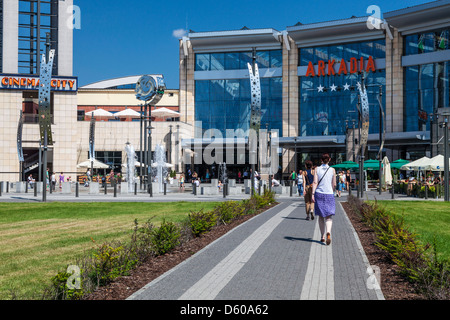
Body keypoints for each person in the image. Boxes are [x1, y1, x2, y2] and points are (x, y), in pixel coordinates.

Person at [311, 153, 336, 245]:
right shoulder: (332, 170)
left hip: (319, 194)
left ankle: (322, 236)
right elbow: (334, 184)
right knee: (329, 216)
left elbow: (314, 182)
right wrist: (332, 192)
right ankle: (328, 232)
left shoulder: (317, 169)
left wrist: (312, 194)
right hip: (329, 194)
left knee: (321, 216)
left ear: (321, 160)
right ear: (329, 160)